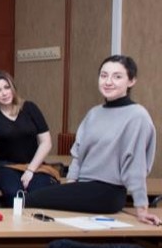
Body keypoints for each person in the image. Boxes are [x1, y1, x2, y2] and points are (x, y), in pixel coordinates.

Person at [27, 55, 159, 225]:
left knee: (30, 199)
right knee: (36, 200)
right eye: (104, 75)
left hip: (108, 191)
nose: (108, 82)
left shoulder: (137, 116)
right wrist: (70, 186)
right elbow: (78, 154)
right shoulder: (94, 113)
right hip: (84, 188)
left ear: (131, 81)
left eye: (117, 77)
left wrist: (142, 208)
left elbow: (136, 166)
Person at [0, 70, 56, 200]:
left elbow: (46, 142)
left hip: (34, 165)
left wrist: (30, 170)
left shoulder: (30, 108)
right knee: (15, 194)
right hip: (5, 167)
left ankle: (35, 220)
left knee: (40, 192)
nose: (4, 93)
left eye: (7, 87)